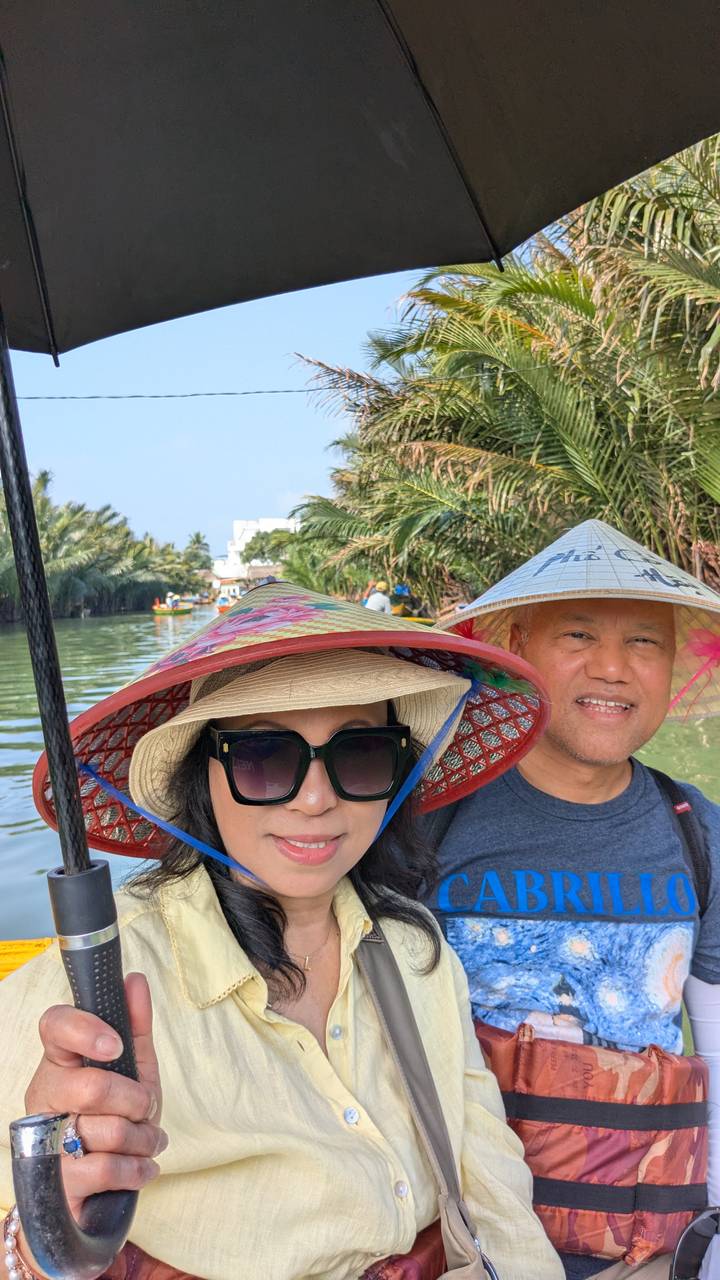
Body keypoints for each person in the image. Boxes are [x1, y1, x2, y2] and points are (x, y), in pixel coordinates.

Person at [0, 582, 563, 1280]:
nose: (316, 799)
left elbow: (494, 1190)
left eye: (361, 754)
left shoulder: (415, 948)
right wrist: (43, 1233)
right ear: (201, 774)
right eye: (263, 757)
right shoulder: (87, 994)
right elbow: (29, 1234)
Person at [423, 519, 720, 1280]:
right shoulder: (429, 822)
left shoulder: (698, 832)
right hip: (468, 1242)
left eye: (644, 642)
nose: (613, 669)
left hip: (648, 1244)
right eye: (579, 635)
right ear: (519, 647)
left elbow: (716, 1046)